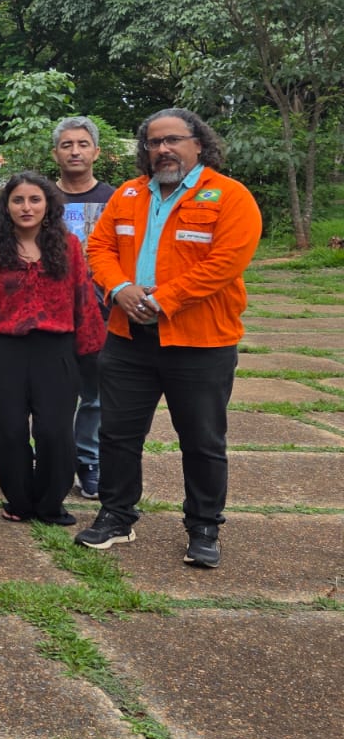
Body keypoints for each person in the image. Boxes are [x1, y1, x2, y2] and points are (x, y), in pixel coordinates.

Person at [76, 109, 261, 569]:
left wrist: (164, 300)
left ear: (199, 143)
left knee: (201, 439)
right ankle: (117, 516)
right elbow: (98, 246)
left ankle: (203, 526)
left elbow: (226, 262)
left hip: (201, 342)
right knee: (118, 434)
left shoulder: (229, 196)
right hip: (128, 336)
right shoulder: (130, 193)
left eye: (173, 140)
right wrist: (120, 289)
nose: (162, 150)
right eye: (154, 142)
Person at [0, 173, 106, 524]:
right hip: (4, 352)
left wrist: (92, 354)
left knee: (54, 433)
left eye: (34, 200)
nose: (26, 207)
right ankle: (19, 501)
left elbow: (83, 297)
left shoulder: (67, 245)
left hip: (56, 352)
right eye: (18, 200)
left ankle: (51, 503)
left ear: (48, 205)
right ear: (6, 207)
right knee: (7, 432)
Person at [51, 116, 116, 500]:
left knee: (95, 394)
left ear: (96, 151)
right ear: (55, 152)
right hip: (51, 313)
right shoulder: (40, 197)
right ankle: (52, 459)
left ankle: (89, 461)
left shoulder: (117, 198)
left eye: (82, 144)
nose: (75, 151)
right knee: (51, 394)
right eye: (66, 145)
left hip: (102, 311)